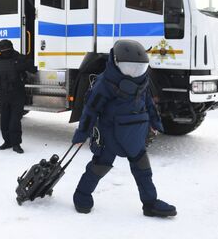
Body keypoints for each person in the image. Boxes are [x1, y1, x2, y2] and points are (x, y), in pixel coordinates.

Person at [71, 40, 176, 217]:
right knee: (100, 166)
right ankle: (82, 194)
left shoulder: (143, 82)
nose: (134, 73)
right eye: (129, 68)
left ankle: (150, 203)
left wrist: (155, 122)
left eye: (138, 68)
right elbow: (90, 111)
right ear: (116, 62)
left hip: (135, 134)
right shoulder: (104, 84)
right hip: (110, 135)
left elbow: (149, 104)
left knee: (143, 169)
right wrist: (82, 134)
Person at [0, 39, 36, 154]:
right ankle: (7, 142)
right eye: (3, 50)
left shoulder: (19, 59)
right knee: (4, 121)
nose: (5, 52)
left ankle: (16, 144)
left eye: (7, 50)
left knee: (14, 121)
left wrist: (24, 64)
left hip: (17, 94)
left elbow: (33, 68)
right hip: (3, 95)